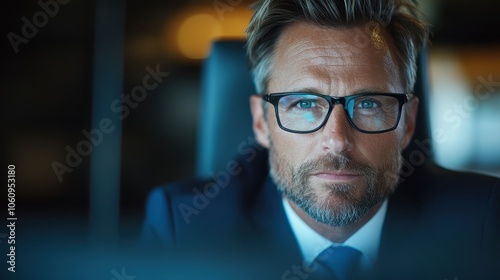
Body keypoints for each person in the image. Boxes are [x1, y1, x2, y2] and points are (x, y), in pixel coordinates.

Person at [141, 0, 500, 279]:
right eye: (305, 104)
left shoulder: (484, 223)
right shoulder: (184, 228)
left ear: (408, 123)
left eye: (369, 103)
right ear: (261, 122)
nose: (337, 141)